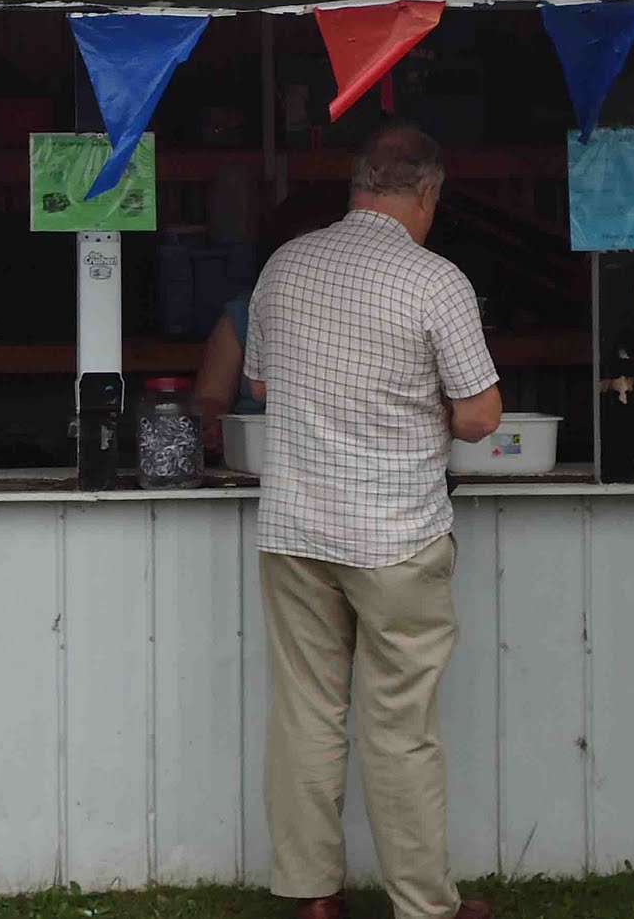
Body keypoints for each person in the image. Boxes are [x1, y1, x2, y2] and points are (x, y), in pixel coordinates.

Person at [243, 124, 502, 919]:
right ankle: (423, 903)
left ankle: (312, 895)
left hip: (296, 529)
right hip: (395, 535)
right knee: (399, 727)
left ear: (357, 184)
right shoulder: (436, 281)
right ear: (427, 193)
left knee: (306, 716)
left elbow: (257, 386)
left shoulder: (285, 265)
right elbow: (483, 417)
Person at [194, 188, 346, 459]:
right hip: (258, 452)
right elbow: (211, 397)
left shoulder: (372, 309)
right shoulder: (243, 313)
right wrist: (212, 425)